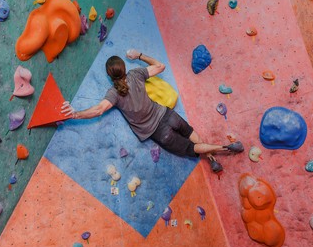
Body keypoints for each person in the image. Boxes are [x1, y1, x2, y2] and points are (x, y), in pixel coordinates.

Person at [61, 49, 229, 173]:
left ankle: (224, 147)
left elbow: (98, 110)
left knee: (191, 148)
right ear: (124, 68)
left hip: (159, 132)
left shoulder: (114, 94)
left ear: (110, 76)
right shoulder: (135, 74)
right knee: (191, 133)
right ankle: (212, 159)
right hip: (167, 115)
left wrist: (75, 113)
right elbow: (160, 66)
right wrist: (139, 55)